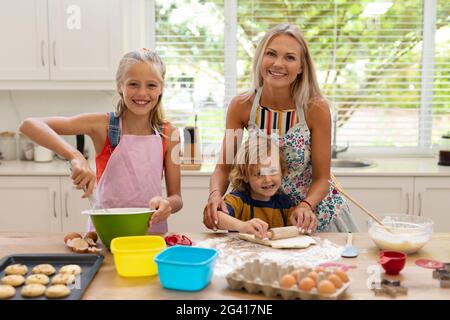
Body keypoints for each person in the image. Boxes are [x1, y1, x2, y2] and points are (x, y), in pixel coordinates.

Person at [203, 23, 358, 234]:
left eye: (290, 57)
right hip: (260, 213)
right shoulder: (241, 106)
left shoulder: (316, 109)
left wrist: (306, 205)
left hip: (310, 216)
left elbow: (322, 178)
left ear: (302, 67)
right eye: (271, 54)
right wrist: (214, 196)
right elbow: (223, 167)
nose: (278, 64)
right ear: (260, 59)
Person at [20, 49, 182, 233]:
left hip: (151, 235)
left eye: (151, 85)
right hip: (105, 234)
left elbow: (177, 198)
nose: (142, 92)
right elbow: (29, 125)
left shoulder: (170, 134)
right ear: (120, 86)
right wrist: (75, 156)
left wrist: (167, 204)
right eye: (133, 84)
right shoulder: (103, 125)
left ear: (161, 88)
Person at [216, 135, 298, 239]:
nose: (267, 179)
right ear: (245, 175)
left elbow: (296, 229)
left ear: (282, 171)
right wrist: (242, 226)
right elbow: (217, 217)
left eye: (273, 171)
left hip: (276, 255)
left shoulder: (285, 204)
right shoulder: (238, 200)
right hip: (242, 253)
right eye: (259, 173)